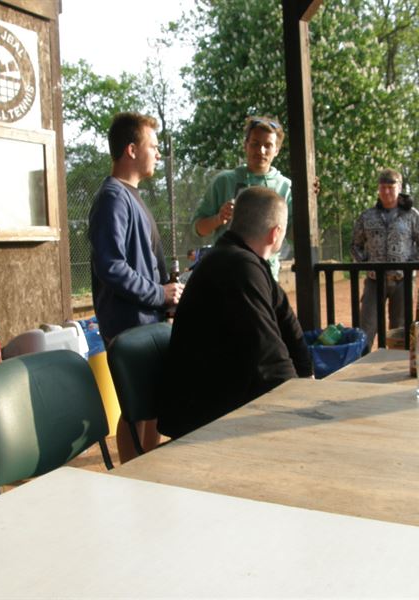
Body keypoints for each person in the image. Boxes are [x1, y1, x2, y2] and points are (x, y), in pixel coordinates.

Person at [158, 187, 313, 439]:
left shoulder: (244, 260)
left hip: (223, 404)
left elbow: (287, 323)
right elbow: (270, 358)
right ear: (276, 233)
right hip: (204, 423)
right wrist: (301, 407)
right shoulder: (238, 266)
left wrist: (307, 376)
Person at [88, 111, 184, 460]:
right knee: (135, 410)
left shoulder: (130, 195)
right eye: (153, 146)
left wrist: (166, 297)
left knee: (152, 405)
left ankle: (148, 471)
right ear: (131, 149)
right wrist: (159, 293)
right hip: (129, 327)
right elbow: (111, 267)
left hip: (147, 322)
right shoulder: (113, 198)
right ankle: (132, 478)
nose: (158, 153)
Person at [192, 115, 292, 280]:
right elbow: (198, 228)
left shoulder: (286, 187)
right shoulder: (224, 181)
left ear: (277, 150)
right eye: (255, 144)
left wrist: (309, 195)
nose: (261, 151)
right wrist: (219, 218)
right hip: (224, 274)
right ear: (245, 145)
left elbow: (296, 234)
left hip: (265, 276)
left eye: (268, 145)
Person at [350, 168, 419, 349]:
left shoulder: (411, 215)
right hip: (374, 281)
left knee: (400, 329)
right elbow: (355, 244)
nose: (386, 191)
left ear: (399, 188)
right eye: (383, 187)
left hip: (402, 281)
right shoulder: (367, 216)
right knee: (366, 327)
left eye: (390, 187)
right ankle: (361, 361)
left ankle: (395, 362)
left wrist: (411, 265)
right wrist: (365, 263)